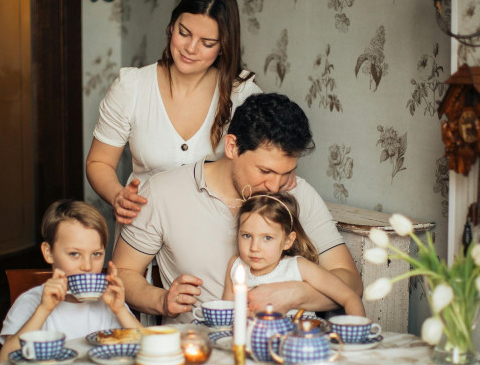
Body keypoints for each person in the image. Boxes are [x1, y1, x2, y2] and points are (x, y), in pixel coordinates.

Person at [112, 93, 363, 323]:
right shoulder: (162, 192)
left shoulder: (299, 193)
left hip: (286, 347)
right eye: (265, 171)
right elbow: (123, 272)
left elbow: (349, 281)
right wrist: (162, 301)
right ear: (232, 147)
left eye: (286, 172)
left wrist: (297, 294)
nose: (276, 186)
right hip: (202, 348)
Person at [86, 0, 264, 226]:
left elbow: (262, 170)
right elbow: (99, 162)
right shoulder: (132, 87)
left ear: (224, 46)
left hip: (214, 234)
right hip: (143, 229)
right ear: (171, 26)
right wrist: (118, 196)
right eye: (184, 33)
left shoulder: (243, 95)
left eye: (207, 43)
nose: (190, 48)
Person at [0, 200, 140, 362]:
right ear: (48, 252)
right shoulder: (31, 302)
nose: (87, 266)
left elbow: (152, 349)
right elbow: (4, 362)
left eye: (96, 254)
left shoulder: (110, 304)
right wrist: (43, 310)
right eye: (74, 254)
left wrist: (121, 310)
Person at [221, 192, 365, 318]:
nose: (254, 248)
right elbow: (227, 314)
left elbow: (349, 297)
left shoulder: (299, 267)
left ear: (287, 241)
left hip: (299, 341)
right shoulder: (236, 266)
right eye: (246, 236)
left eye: (267, 238)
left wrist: (357, 337)